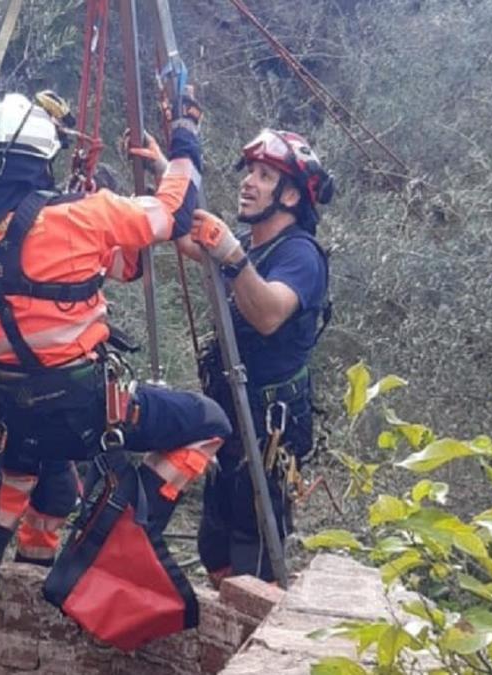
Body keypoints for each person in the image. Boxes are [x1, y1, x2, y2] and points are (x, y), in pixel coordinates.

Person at [0, 92, 230, 640]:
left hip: (15, 409)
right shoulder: (84, 217)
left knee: (10, 480)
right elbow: (173, 214)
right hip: (90, 412)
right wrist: (185, 140)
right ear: (43, 163)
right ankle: (115, 522)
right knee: (209, 422)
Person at [183, 128, 335, 585]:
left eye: (264, 175)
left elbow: (269, 313)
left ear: (290, 195)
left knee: (253, 543)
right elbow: (185, 238)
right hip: (232, 412)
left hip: (272, 425)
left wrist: (230, 254)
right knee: (215, 542)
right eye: (250, 172)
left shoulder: (301, 256)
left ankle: (253, 629)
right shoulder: (256, 246)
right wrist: (171, 166)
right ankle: (223, 627)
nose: (249, 182)